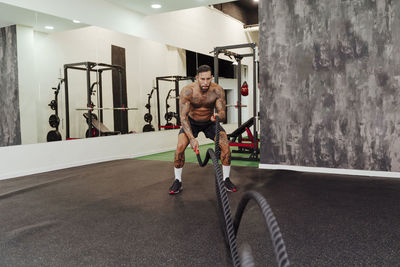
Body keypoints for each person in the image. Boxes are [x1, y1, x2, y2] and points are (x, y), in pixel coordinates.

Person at [169, 64, 238, 194]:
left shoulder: (217, 90)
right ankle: (177, 181)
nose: (205, 82)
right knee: (180, 147)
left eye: (208, 79)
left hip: (210, 122)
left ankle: (226, 179)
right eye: (202, 79)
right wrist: (192, 139)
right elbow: (183, 117)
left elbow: (223, 113)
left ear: (211, 77)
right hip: (191, 123)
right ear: (197, 78)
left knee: (225, 145)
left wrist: (219, 116)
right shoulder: (187, 91)